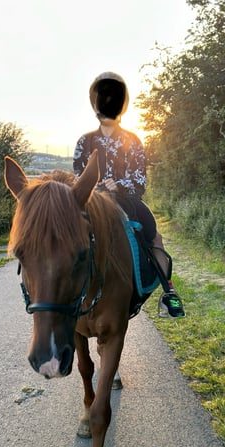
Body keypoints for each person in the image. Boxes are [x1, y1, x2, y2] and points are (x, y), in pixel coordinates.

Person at [73, 71, 185, 318]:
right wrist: (97, 186)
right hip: (92, 201)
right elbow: (78, 177)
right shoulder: (84, 142)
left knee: (153, 234)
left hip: (126, 199)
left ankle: (169, 294)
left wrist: (118, 185)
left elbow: (140, 179)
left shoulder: (133, 140)